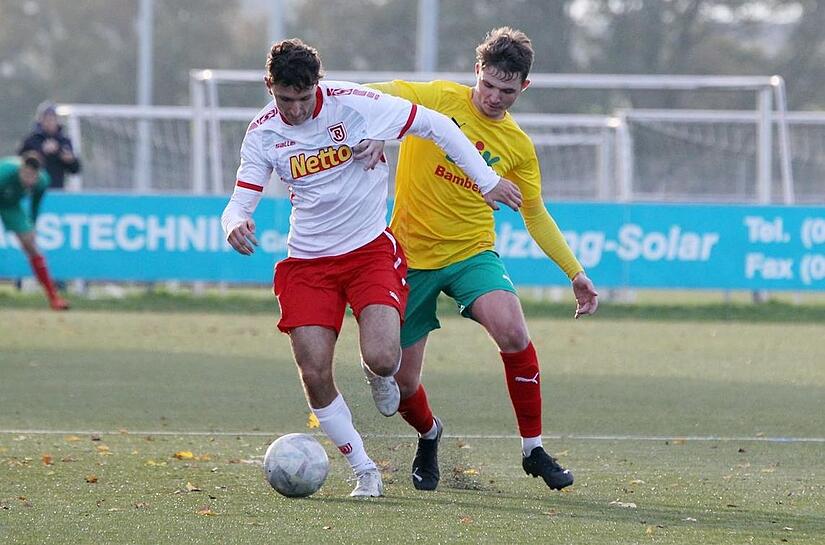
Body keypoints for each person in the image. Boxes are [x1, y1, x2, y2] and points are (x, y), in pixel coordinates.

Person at [221, 38, 522, 498]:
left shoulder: (355, 104)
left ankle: (378, 375)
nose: (296, 110)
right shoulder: (262, 133)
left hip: (368, 253)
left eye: (304, 98)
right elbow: (240, 201)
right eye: (285, 99)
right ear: (269, 86)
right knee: (314, 373)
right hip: (308, 263)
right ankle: (364, 470)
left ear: (319, 85)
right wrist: (235, 223)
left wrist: (487, 181)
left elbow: (438, 126)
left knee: (383, 359)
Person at [363, 27, 599, 492]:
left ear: (524, 87)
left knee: (513, 330)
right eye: (487, 85)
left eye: (507, 91)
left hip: (472, 253)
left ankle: (533, 449)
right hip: (409, 256)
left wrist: (575, 272)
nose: (493, 97)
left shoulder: (518, 147)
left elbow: (535, 215)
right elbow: (371, 93)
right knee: (402, 384)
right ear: (477, 71)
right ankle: (429, 434)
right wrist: (371, 129)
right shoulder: (438, 99)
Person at [0, 152, 69, 310]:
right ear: (20, 169)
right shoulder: (4, 173)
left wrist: (32, 225)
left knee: (30, 244)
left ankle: (54, 298)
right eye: (26, 175)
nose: (29, 180)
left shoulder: (42, 181)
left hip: (11, 205)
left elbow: (35, 206)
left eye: (33, 176)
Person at [18, 101, 81, 190]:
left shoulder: (64, 141)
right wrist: (42, 151)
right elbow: (19, 162)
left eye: (52, 119)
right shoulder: (31, 140)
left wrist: (70, 160)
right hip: (34, 190)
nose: (49, 122)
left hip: (57, 190)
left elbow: (75, 170)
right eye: (46, 119)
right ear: (40, 120)